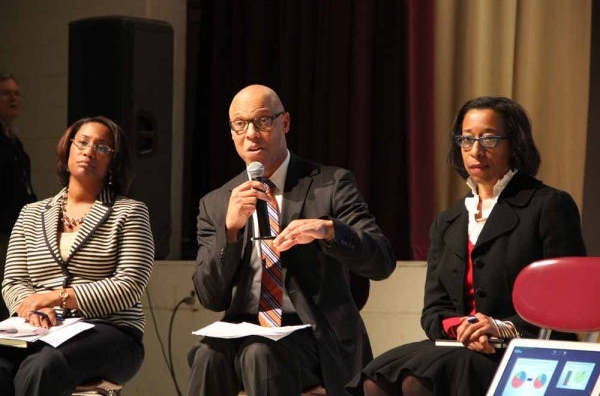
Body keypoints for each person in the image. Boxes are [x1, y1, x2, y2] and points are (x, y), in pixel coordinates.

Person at [346, 96, 586, 396]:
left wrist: (500, 327)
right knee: (376, 380)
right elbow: (434, 310)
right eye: (466, 139)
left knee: (418, 382)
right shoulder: (449, 220)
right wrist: (462, 327)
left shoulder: (549, 205)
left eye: (489, 139)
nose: (475, 151)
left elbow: (565, 301)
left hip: (528, 347)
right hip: (462, 346)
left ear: (515, 143)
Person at [187, 84, 396, 396]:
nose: (251, 134)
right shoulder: (217, 203)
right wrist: (229, 231)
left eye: (262, 122)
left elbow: (381, 261)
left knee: (259, 351)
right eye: (240, 125)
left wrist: (329, 230)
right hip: (244, 327)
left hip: (316, 333)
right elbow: (211, 297)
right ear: (231, 133)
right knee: (207, 355)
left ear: (284, 123)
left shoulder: (331, 184)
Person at [0, 116, 155, 395]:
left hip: (110, 332)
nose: (89, 150)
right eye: (82, 142)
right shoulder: (31, 214)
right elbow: (13, 281)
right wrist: (32, 307)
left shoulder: (130, 212)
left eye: (102, 147)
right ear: (68, 149)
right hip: (38, 330)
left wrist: (58, 296)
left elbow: (130, 286)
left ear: (113, 161)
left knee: (42, 366)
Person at [0, 72, 36, 320]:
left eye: (16, 93)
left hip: (15, 229)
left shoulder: (14, 141)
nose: (13, 99)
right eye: (6, 93)